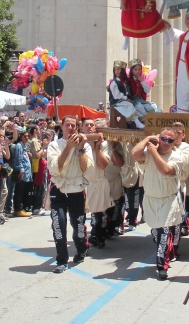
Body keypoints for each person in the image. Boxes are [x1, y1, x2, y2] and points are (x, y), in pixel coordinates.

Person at [131, 129, 185, 280]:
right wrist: (148, 138)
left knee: (163, 234)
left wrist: (153, 151)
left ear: (175, 143)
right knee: (156, 232)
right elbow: (135, 154)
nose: (166, 142)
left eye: (170, 140)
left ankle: (162, 265)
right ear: (158, 138)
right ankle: (168, 252)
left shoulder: (177, 157)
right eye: (164, 139)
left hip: (168, 201)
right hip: (151, 199)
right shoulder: (148, 154)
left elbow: (166, 170)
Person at [46, 115, 90, 273]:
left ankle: (81, 248)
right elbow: (55, 166)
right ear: (62, 127)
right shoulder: (53, 145)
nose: (70, 128)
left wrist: (80, 148)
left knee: (78, 225)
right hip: (58, 187)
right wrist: (68, 148)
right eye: (67, 125)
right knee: (59, 224)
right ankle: (61, 260)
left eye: (73, 125)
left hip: (76, 189)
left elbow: (85, 168)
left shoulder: (84, 145)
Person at [81, 119, 113, 249]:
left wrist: (96, 147)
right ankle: (83, 239)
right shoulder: (79, 143)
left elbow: (103, 164)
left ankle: (99, 236)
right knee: (81, 214)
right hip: (83, 183)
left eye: (91, 125)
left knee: (99, 214)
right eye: (86, 125)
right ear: (81, 128)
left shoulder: (103, 143)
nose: (89, 127)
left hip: (98, 182)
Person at [108, 60, 145, 129]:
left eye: (118, 69)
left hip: (123, 100)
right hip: (116, 101)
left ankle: (143, 120)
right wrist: (126, 98)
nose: (117, 71)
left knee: (138, 105)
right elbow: (117, 95)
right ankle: (136, 122)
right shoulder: (114, 83)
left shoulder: (124, 81)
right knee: (129, 105)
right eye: (115, 69)